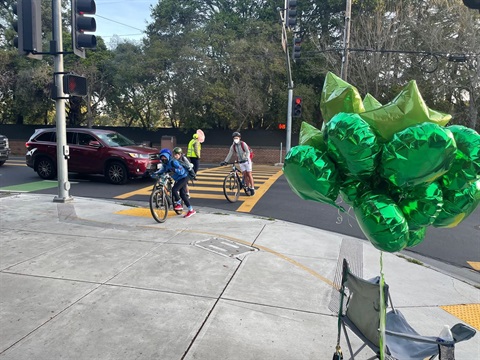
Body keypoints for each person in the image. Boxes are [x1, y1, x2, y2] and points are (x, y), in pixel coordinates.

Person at [154, 151, 196, 218]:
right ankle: (191, 210)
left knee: (174, 189)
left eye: (164, 157)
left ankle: (178, 203)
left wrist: (174, 170)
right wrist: (155, 173)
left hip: (184, 177)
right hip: (178, 179)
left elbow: (181, 171)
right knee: (182, 195)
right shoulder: (165, 164)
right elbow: (162, 170)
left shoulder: (173, 162)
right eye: (162, 157)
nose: (163, 158)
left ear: (167, 157)